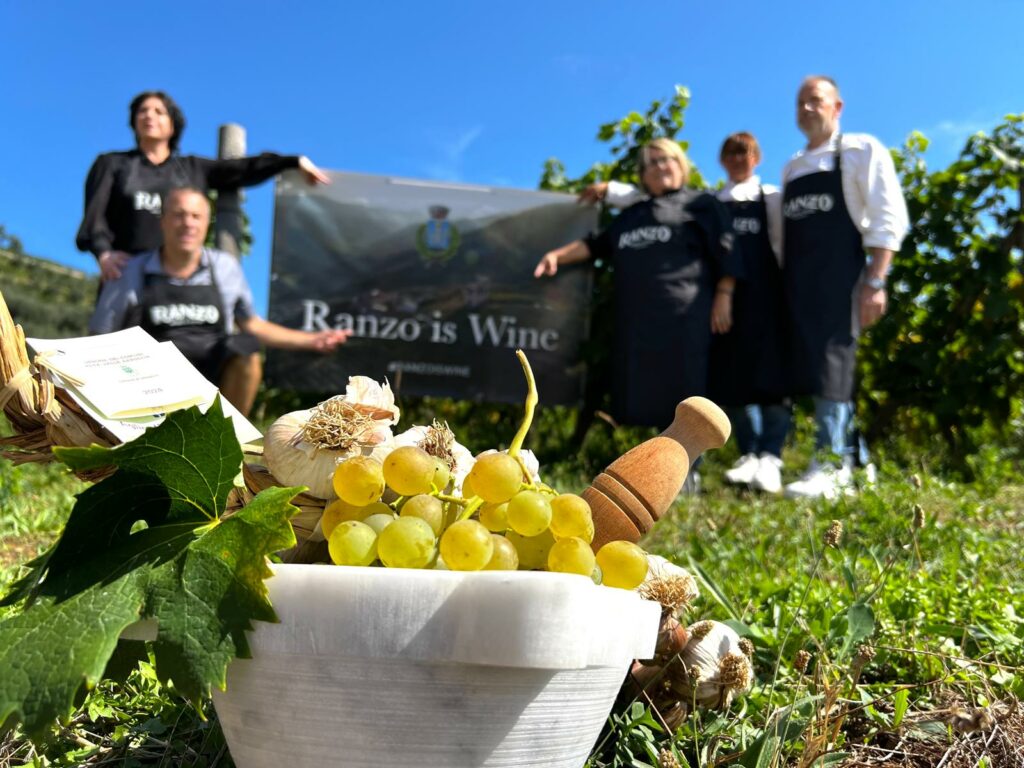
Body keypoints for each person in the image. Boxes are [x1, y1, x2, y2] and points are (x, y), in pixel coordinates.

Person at [534, 138, 740, 432]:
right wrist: (557, 255)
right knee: (645, 396)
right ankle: (652, 470)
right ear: (642, 175)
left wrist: (724, 294)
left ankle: (688, 469)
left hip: (685, 317)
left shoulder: (702, 205)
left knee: (685, 396)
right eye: (651, 163)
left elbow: (727, 250)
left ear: (680, 164)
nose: (659, 167)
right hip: (638, 324)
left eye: (665, 159)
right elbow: (595, 245)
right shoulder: (630, 216)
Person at [90, 187, 351, 416]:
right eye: (179, 215)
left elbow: (253, 325)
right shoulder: (129, 272)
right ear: (163, 221)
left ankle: (230, 439)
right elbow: (100, 338)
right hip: (151, 377)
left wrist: (313, 340)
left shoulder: (225, 268)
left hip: (212, 375)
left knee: (246, 349)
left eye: (196, 216)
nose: (188, 223)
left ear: (206, 223)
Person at [780, 76, 909, 500]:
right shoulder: (793, 166)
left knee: (834, 363)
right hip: (800, 282)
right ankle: (856, 465)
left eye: (815, 100)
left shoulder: (858, 149)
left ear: (837, 106)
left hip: (843, 277)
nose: (806, 108)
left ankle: (830, 464)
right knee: (817, 367)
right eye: (800, 102)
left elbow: (887, 214)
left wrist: (876, 280)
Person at [76, 90, 329, 282]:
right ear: (133, 120)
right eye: (142, 110)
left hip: (179, 282)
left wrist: (291, 161)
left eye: (158, 111)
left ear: (173, 124)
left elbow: (242, 168)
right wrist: (104, 253)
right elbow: (94, 216)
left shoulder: (191, 169)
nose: (149, 115)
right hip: (126, 276)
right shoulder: (111, 164)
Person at [706, 132, 789, 494]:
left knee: (773, 375)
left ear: (756, 158)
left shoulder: (769, 197)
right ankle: (748, 453)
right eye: (732, 154)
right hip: (726, 302)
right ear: (722, 161)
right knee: (733, 377)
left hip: (766, 297)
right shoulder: (713, 203)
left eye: (746, 153)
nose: (739, 159)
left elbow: (781, 246)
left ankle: (771, 456)